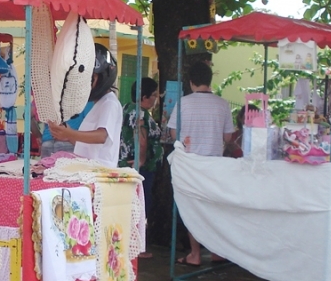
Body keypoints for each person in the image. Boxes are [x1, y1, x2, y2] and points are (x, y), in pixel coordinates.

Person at [168, 61, 234, 267]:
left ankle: (195, 254)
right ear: (209, 80)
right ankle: (216, 252)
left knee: (192, 209)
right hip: (214, 165)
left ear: (191, 82)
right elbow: (229, 137)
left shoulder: (183, 103)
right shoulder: (222, 104)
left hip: (190, 166)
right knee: (214, 209)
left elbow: (172, 133)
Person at [47, 44, 123, 168]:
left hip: (99, 171)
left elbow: (101, 136)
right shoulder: (100, 104)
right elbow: (88, 144)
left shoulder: (109, 103)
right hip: (89, 168)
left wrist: (69, 133)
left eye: (89, 78)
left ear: (103, 77)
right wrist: (67, 134)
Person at [120, 77, 161, 258]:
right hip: (139, 168)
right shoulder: (141, 114)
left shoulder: (126, 109)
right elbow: (142, 138)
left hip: (124, 163)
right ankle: (135, 246)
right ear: (144, 96)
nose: (155, 99)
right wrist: (142, 159)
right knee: (140, 204)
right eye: (153, 95)